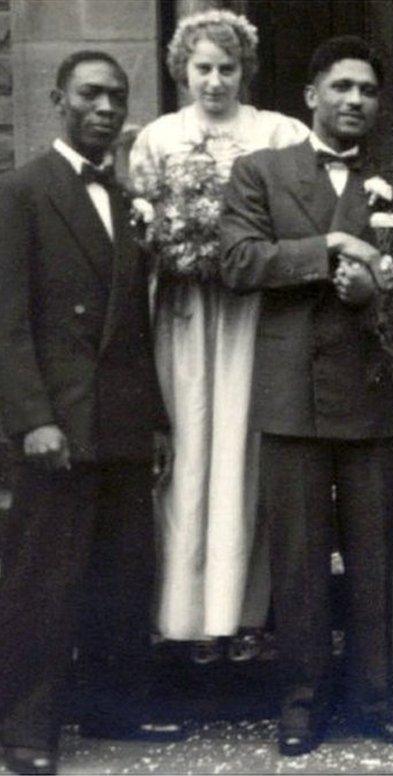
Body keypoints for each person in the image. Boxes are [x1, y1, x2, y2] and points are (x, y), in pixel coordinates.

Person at [219, 35, 393, 756]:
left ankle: (375, 694)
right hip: (291, 396)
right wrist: (332, 252)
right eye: (341, 87)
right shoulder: (261, 172)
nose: (354, 101)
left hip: (371, 393)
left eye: (367, 91)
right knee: (300, 560)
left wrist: (376, 289)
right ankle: (301, 700)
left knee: (374, 557)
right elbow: (239, 260)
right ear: (311, 95)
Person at [0, 51, 182, 775]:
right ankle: (23, 727)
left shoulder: (126, 195)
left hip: (123, 422)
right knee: (43, 580)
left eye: (117, 96)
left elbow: (136, 324)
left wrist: (158, 420)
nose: (106, 108)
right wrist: (32, 419)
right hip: (58, 425)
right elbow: (7, 324)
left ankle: (111, 709)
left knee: (119, 573)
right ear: (57, 100)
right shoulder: (22, 191)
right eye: (90, 95)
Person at [129, 9, 309, 663]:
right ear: (182, 70)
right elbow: (142, 225)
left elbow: (293, 216)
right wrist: (175, 245)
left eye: (226, 68)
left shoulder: (277, 132)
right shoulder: (158, 137)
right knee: (190, 449)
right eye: (202, 68)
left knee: (244, 448)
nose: (214, 81)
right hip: (184, 312)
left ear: (244, 71)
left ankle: (244, 613)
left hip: (251, 313)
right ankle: (183, 616)